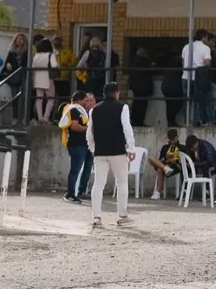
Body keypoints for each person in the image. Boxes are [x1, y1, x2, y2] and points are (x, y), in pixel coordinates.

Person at [87, 83, 137, 228]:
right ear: (116, 93)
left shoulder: (94, 110)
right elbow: (127, 128)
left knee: (98, 184)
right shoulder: (122, 107)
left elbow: (89, 133)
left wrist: (93, 149)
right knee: (121, 183)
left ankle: (96, 216)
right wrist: (131, 148)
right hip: (117, 151)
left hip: (100, 152)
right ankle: (122, 215)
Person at [59, 91, 93, 203]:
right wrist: (88, 129)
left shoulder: (83, 111)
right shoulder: (74, 109)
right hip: (77, 144)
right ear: (79, 100)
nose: (87, 103)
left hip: (86, 144)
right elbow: (75, 126)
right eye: (85, 100)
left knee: (87, 169)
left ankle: (81, 191)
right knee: (75, 169)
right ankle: (70, 193)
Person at [182, 29, 215, 127]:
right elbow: (207, 63)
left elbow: (183, 63)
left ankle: (186, 121)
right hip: (199, 78)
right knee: (200, 100)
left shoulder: (186, 47)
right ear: (203, 37)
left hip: (185, 77)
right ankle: (198, 121)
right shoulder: (205, 48)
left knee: (187, 100)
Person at [148, 128, 186, 199]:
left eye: (173, 139)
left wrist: (175, 157)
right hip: (165, 164)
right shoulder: (165, 147)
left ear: (177, 137)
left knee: (160, 169)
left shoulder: (182, 147)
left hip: (175, 166)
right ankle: (165, 168)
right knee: (151, 157)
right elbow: (160, 159)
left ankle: (158, 192)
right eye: (170, 140)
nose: (172, 141)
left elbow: (185, 160)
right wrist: (166, 158)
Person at [2, 34, 28, 122]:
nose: (19, 41)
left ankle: (24, 118)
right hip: (14, 77)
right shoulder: (12, 52)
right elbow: (7, 62)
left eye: (21, 39)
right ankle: (15, 118)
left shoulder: (27, 51)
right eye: (18, 39)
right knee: (14, 98)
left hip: (24, 76)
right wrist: (8, 64)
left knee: (24, 98)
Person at [30, 39, 57, 123]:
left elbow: (33, 68)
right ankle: (46, 117)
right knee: (51, 98)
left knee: (39, 99)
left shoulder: (36, 56)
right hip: (48, 79)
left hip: (37, 79)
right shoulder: (50, 55)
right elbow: (54, 65)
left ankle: (40, 117)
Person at [128, 47, 154, 127]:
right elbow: (149, 72)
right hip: (143, 87)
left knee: (136, 103)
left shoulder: (135, 62)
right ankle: (139, 121)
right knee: (142, 105)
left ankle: (134, 120)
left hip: (136, 87)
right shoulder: (145, 62)